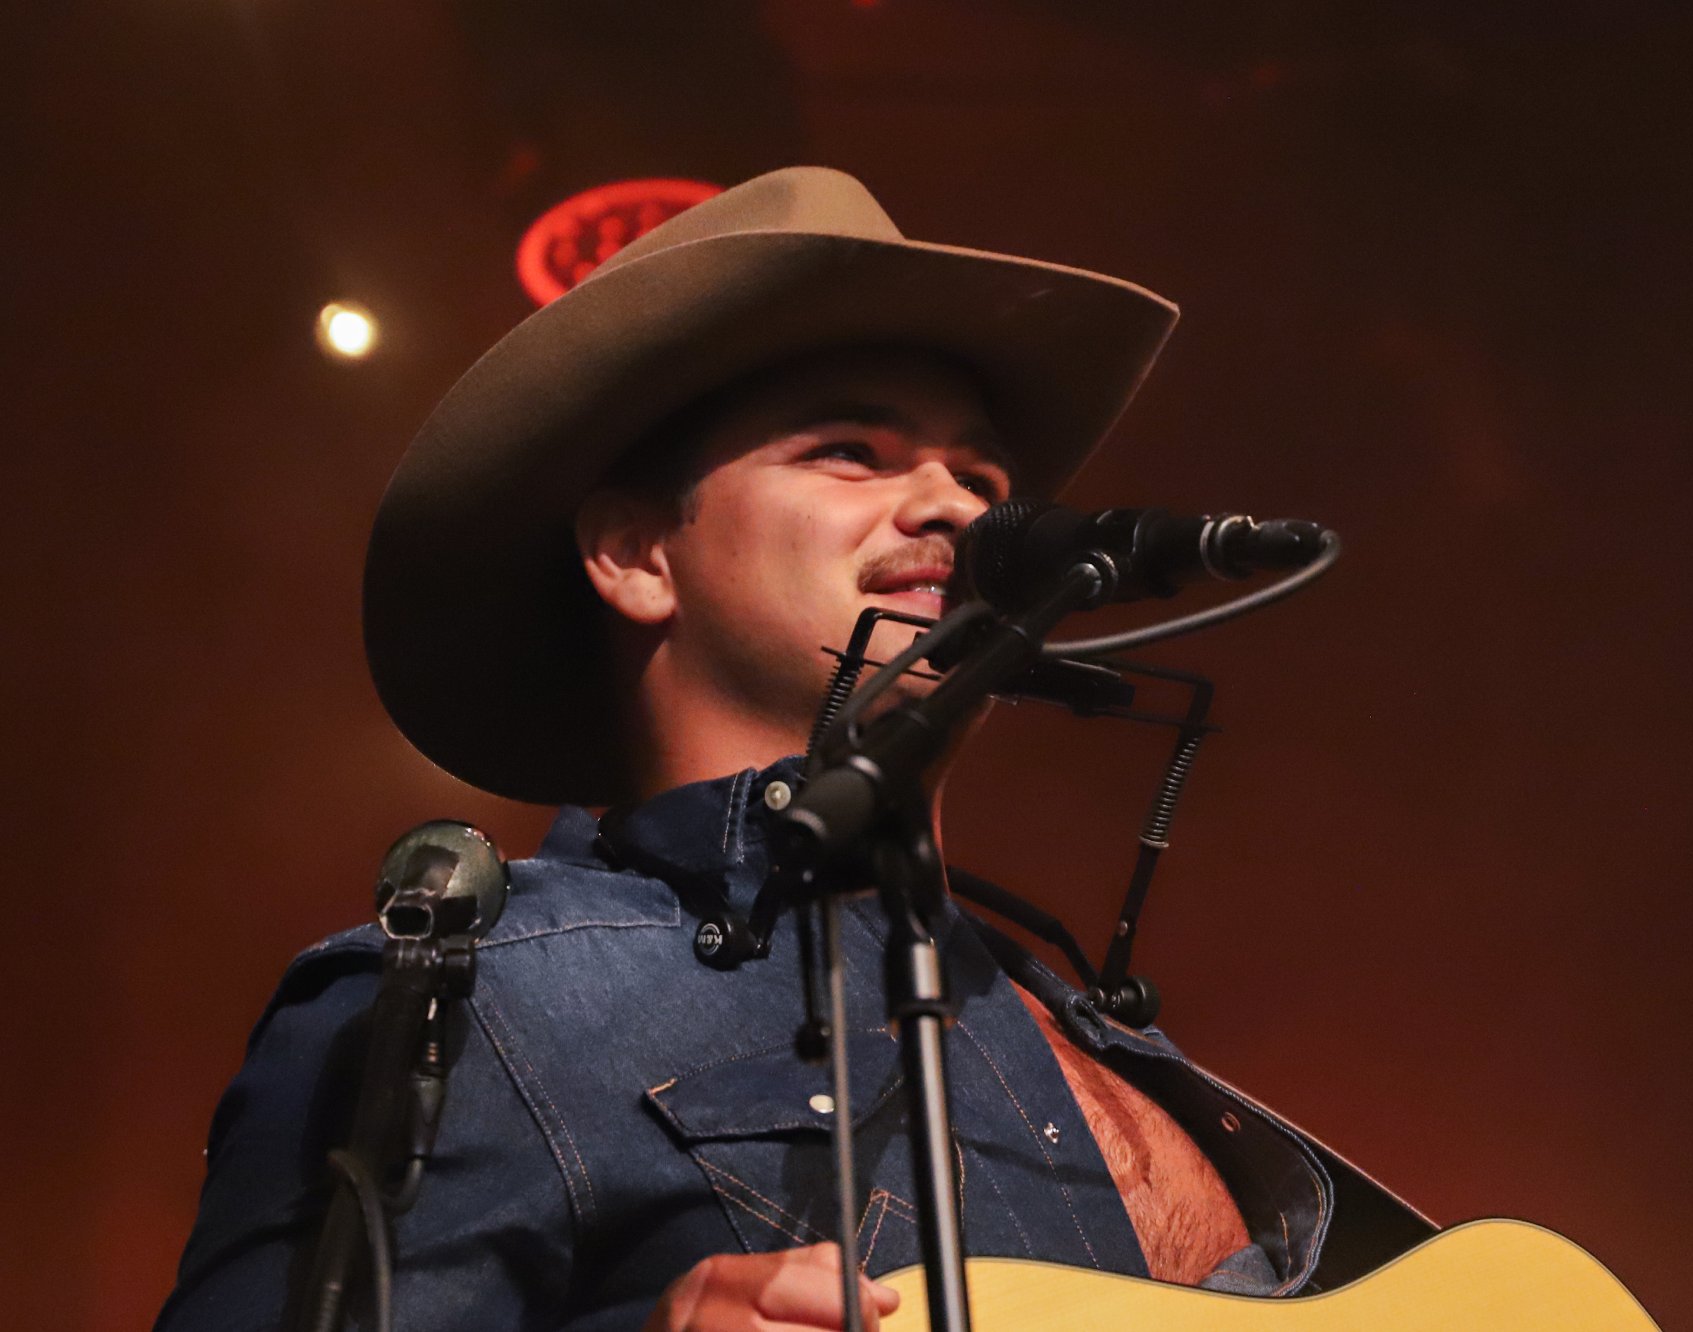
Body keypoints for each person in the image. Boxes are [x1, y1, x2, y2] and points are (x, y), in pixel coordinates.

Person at [156, 167, 1431, 1332]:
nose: (953, 506)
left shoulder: (1064, 1016)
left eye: (984, 481)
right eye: (849, 452)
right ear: (635, 556)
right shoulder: (476, 1002)